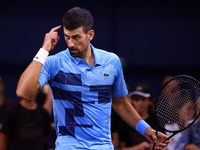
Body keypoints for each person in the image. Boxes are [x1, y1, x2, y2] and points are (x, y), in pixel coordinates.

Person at [16, 7, 170, 150]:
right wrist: (44, 49)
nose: (70, 44)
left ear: (90, 35)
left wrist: (147, 130)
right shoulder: (53, 63)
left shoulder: (112, 62)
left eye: (76, 37)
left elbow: (121, 104)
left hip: (102, 146)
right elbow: (23, 92)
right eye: (67, 37)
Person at [119, 83, 163, 150]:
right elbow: (119, 148)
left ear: (150, 101)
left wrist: (158, 147)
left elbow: (165, 146)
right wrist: (138, 148)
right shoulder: (125, 121)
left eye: (143, 99)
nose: (140, 103)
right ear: (131, 101)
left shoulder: (157, 120)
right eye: (136, 99)